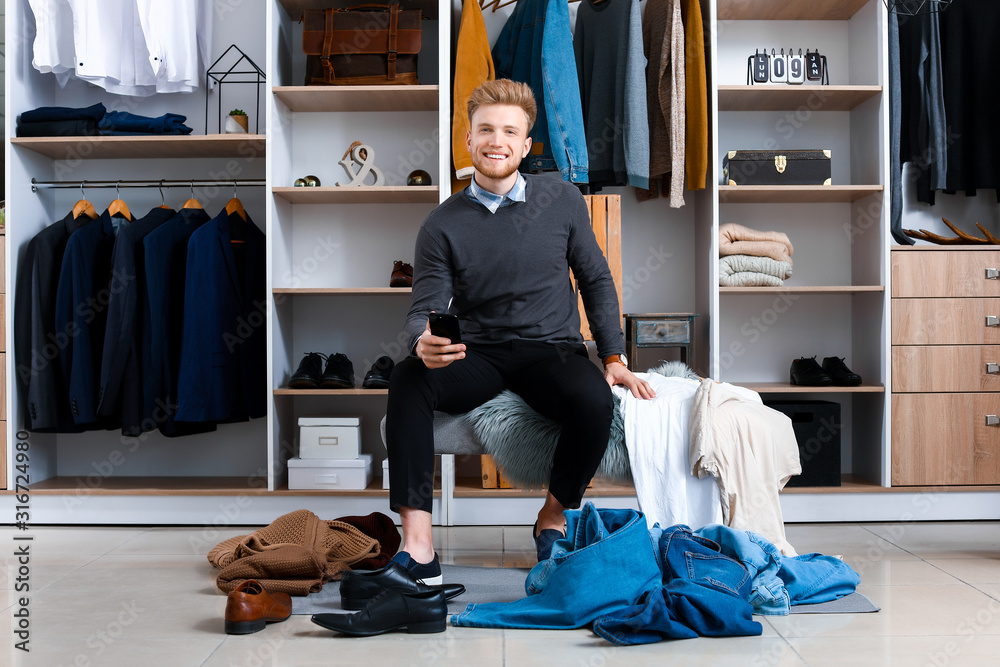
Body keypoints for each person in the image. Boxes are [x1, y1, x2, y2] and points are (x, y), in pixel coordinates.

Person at [385, 79, 655, 585]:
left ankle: (552, 517)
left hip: (551, 350)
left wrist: (614, 358)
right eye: (486, 129)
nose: (497, 140)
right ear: (468, 140)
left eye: (510, 131)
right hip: (479, 352)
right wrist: (420, 342)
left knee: (595, 399)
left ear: (525, 145)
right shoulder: (442, 224)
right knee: (407, 378)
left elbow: (595, 278)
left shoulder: (562, 199)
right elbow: (423, 307)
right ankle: (419, 551)